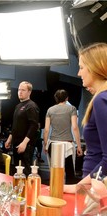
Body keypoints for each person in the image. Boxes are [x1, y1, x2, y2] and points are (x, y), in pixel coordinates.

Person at [64, 43, 107, 193]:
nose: (78, 73)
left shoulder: (101, 99)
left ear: (96, 67)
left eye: (82, 67)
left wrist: (79, 187)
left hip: (94, 187)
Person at [43, 89, 83, 184]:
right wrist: (79, 146)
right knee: (69, 173)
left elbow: (47, 129)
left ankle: (54, 195)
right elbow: (74, 127)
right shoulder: (72, 109)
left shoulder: (50, 110)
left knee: (55, 172)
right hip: (67, 145)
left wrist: (45, 144)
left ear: (56, 98)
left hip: (53, 144)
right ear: (67, 98)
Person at [4, 81, 39, 176]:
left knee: (25, 171)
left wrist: (24, 143)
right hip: (16, 143)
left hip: (26, 145)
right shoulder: (18, 106)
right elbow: (15, 125)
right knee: (17, 171)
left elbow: (34, 126)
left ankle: (27, 190)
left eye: (23, 90)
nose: (20, 92)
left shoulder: (31, 106)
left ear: (29, 92)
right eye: (19, 89)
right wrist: (9, 139)